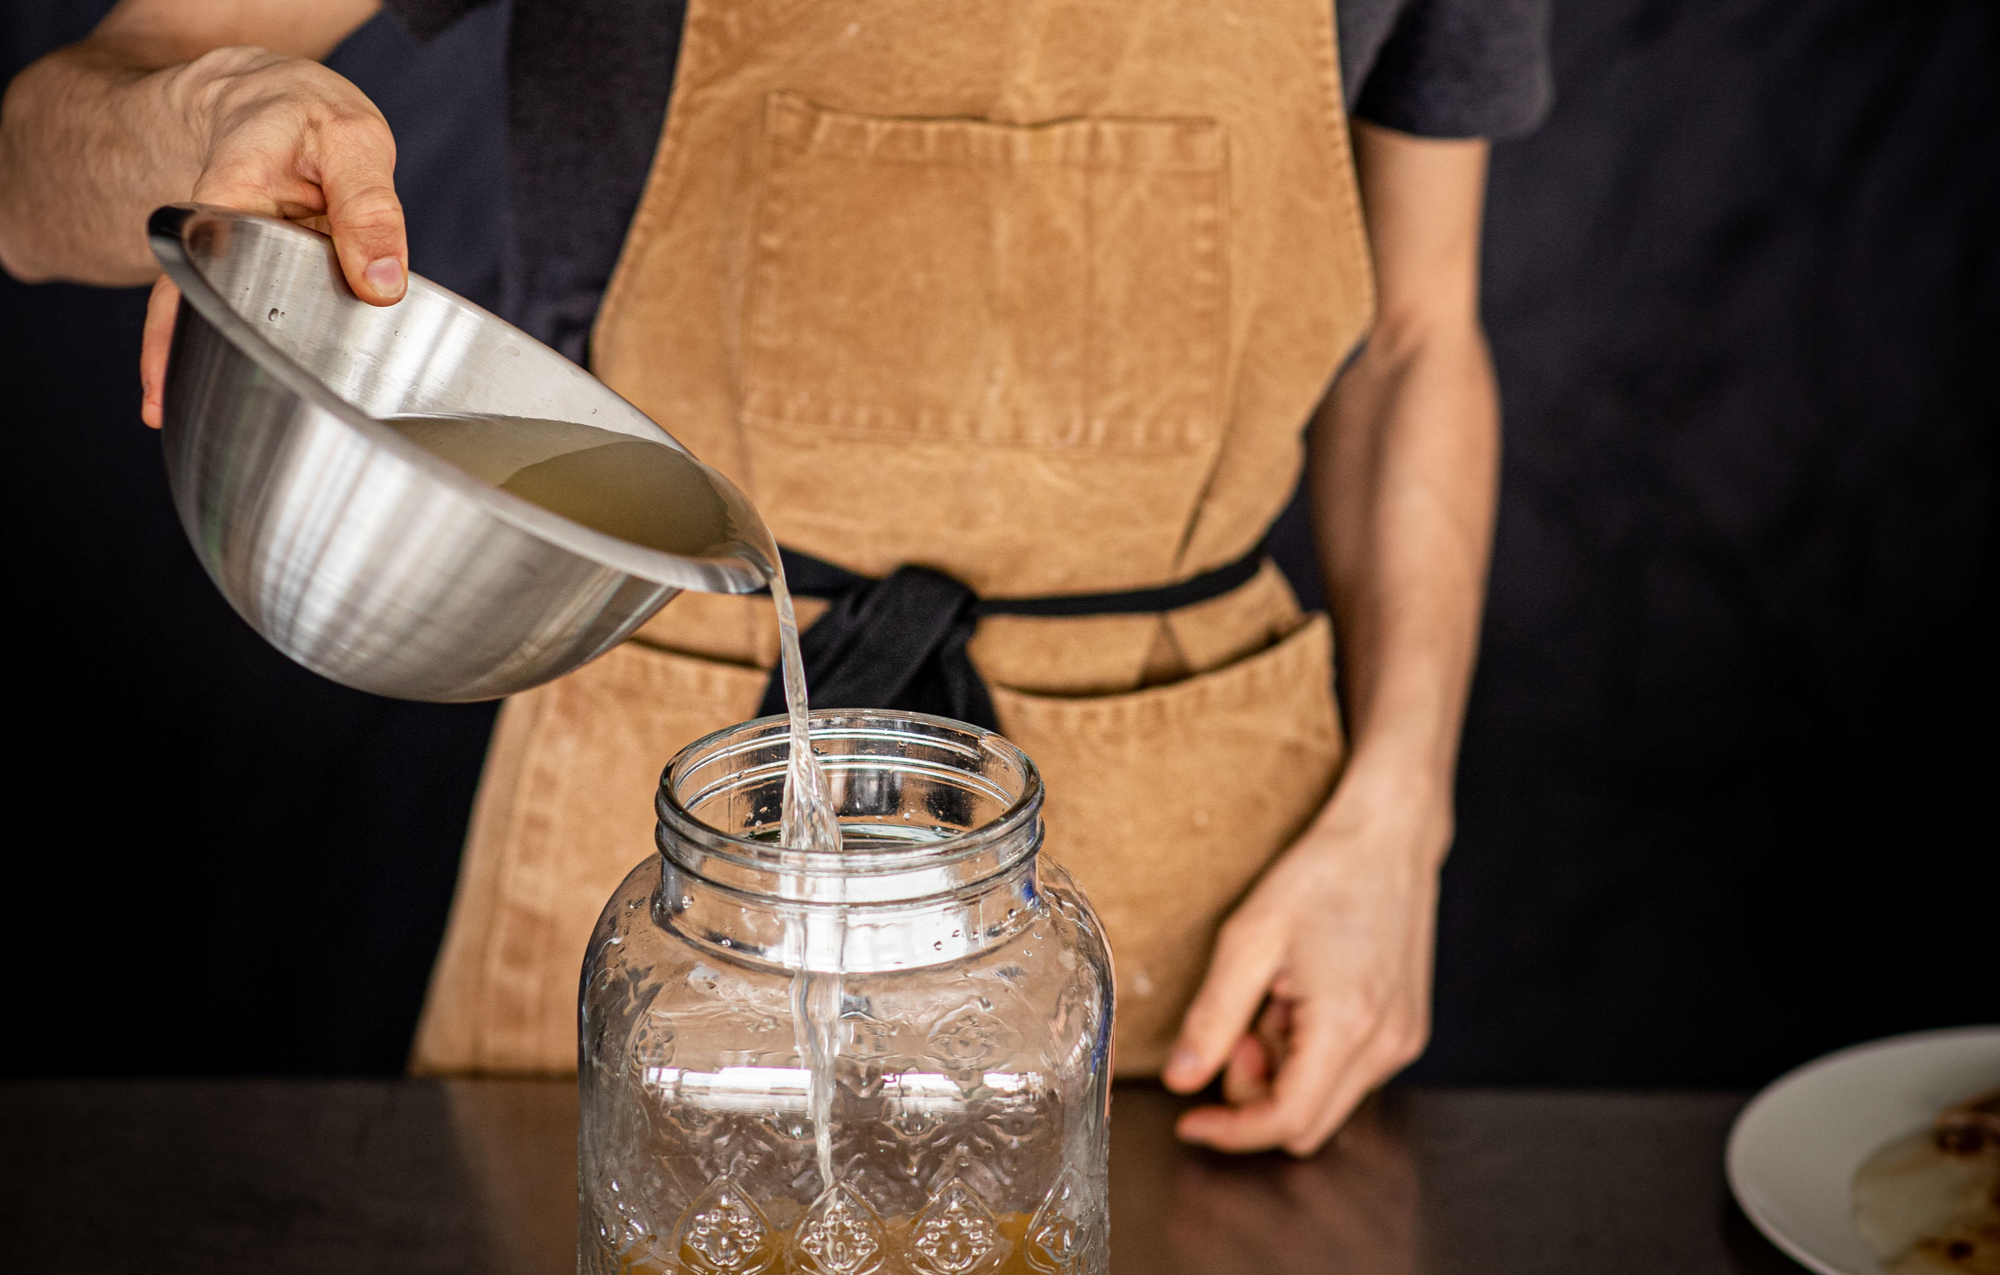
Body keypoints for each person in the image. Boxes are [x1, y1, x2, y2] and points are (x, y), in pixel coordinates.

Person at [0, 0, 1548, 1154]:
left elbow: (1417, 337)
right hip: (677, 827)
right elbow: (36, 160)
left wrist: (1402, 818)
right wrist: (205, 107)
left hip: (1202, 878)